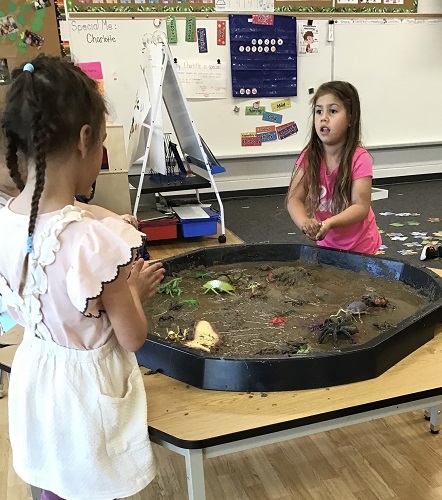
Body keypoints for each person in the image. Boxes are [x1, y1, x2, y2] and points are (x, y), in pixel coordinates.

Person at [0, 55, 165, 500]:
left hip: (37, 374)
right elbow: (132, 337)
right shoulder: (91, 243)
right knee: (89, 478)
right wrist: (134, 289)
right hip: (84, 392)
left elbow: (66, 221)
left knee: (54, 470)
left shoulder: (8, 219)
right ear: (85, 138)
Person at [286, 81, 381, 255]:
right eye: (319, 111)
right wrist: (305, 224)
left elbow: (361, 207)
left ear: (351, 118)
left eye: (333, 111)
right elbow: (294, 199)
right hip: (327, 245)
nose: (324, 117)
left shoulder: (359, 158)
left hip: (361, 245)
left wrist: (329, 223)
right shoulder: (310, 155)